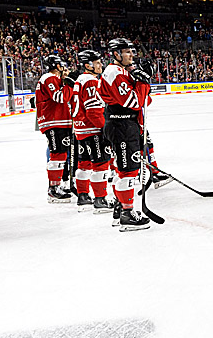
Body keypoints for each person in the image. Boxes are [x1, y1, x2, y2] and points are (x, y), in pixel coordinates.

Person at [100, 38, 153, 231]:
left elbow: (146, 100)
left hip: (125, 124)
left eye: (132, 51)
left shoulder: (123, 71)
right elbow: (134, 101)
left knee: (124, 169)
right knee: (127, 171)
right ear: (116, 54)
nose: (132, 55)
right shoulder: (114, 73)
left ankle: (119, 208)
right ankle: (127, 214)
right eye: (127, 52)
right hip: (121, 125)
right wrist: (141, 81)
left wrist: (143, 80)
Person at [70, 49, 112, 213]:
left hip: (80, 129)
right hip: (92, 128)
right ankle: (100, 199)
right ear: (88, 65)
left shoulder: (80, 80)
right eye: (97, 63)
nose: (101, 65)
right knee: (100, 164)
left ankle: (83, 196)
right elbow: (93, 110)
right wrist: (105, 129)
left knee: (84, 164)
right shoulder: (91, 81)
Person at [36, 55, 74, 202]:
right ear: (56, 66)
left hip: (59, 120)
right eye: (60, 64)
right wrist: (69, 85)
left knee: (61, 154)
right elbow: (59, 97)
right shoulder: (49, 78)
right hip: (53, 120)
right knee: (57, 154)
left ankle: (57, 185)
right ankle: (53, 189)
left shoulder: (54, 79)